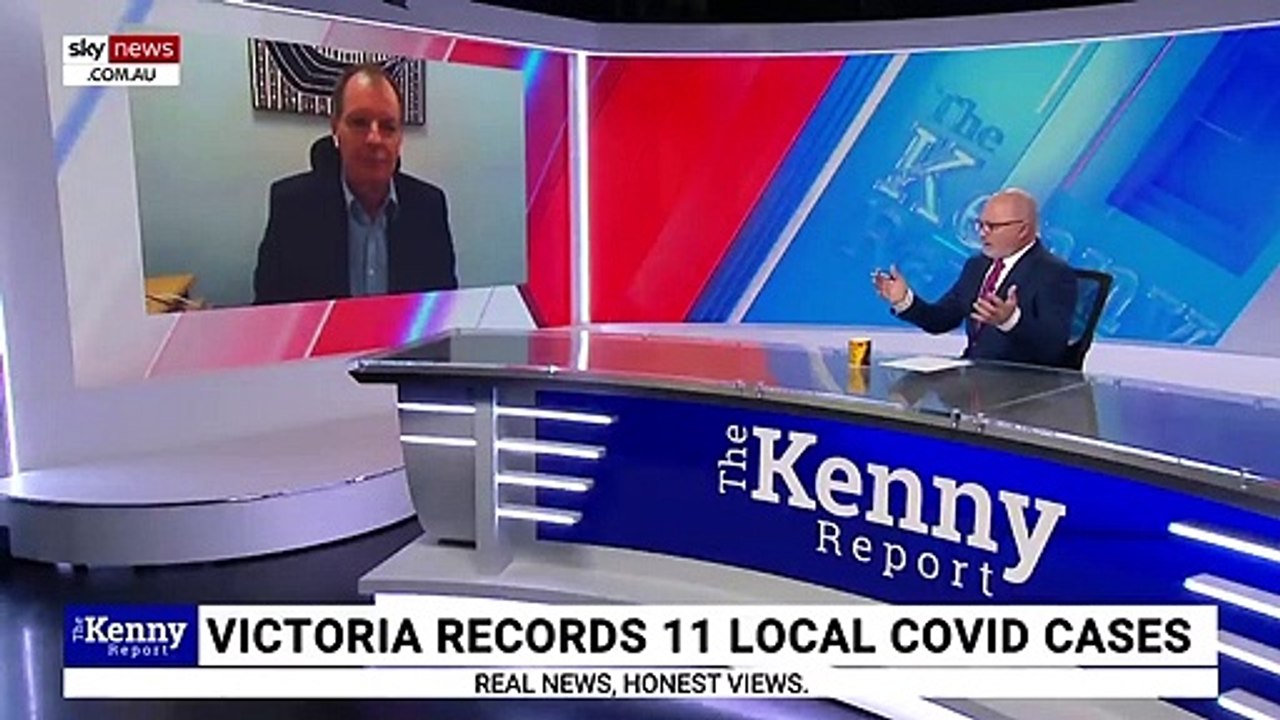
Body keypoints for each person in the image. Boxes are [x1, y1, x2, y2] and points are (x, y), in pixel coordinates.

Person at [252, 63, 457, 305]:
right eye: (359, 122)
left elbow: (443, 310)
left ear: (400, 138)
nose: (374, 139)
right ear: (335, 129)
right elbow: (270, 311)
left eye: (388, 126)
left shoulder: (428, 208)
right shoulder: (293, 208)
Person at [872, 188, 1077, 368]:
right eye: (980, 225)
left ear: (1023, 229)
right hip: (972, 378)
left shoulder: (1054, 273)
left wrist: (1010, 321)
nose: (982, 233)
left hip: (1020, 386)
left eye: (992, 226)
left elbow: (1053, 348)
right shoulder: (977, 266)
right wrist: (904, 300)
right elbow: (942, 319)